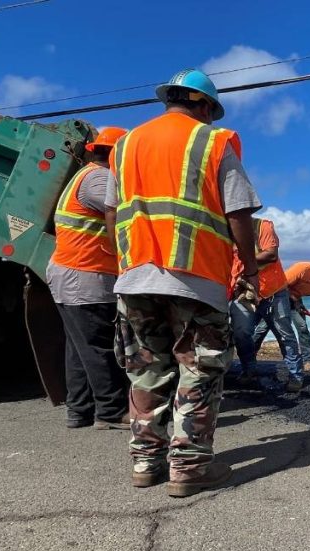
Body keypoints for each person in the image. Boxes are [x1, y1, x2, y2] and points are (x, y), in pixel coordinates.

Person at [104, 68, 261, 497]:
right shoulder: (212, 141)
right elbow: (238, 213)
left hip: (135, 276)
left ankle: (145, 462)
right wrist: (249, 267)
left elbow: (112, 211)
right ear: (204, 106)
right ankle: (189, 467)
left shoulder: (126, 145)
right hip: (196, 278)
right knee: (199, 369)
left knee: (146, 370)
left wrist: (126, 263)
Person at [46, 126, 131, 430]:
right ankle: (111, 410)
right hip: (84, 275)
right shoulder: (99, 178)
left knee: (79, 348)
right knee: (97, 345)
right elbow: (125, 215)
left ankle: (80, 410)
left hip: (72, 273)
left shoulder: (86, 175)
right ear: (116, 154)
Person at [228, 217, 305, 393]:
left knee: (284, 334)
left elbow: (271, 254)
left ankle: (296, 375)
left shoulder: (262, 226)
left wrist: (245, 269)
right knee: (241, 333)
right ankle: (249, 370)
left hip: (273, 292)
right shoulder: (223, 232)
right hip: (242, 293)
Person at [253, 251, 310, 373]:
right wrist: (295, 300)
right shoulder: (303, 268)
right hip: (277, 297)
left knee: (302, 327)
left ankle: (308, 361)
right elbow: (281, 284)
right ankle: (250, 357)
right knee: (263, 328)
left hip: (295, 302)